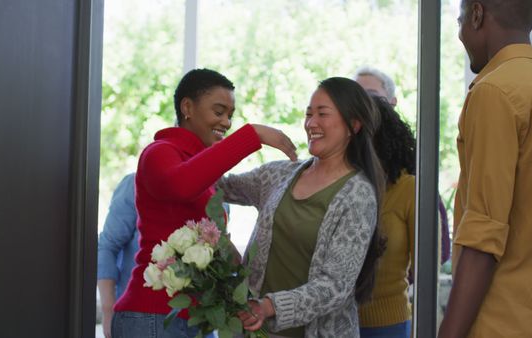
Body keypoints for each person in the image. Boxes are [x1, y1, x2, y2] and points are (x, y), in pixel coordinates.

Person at [111, 68, 297, 338]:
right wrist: (252, 135)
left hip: (196, 318)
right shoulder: (160, 152)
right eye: (219, 111)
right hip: (153, 316)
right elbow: (182, 184)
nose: (226, 122)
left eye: (230, 116)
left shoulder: (205, 173)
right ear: (187, 107)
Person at [438, 1, 532, 337]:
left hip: (498, 324)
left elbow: (483, 236)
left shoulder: (494, 92)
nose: (460, 35)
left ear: (477, 15)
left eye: (460, 21)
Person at [218, 77, 387, 337]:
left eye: (322, 114)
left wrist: (269, 306)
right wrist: (250, 136)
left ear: (354, 125)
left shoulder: (358, 195)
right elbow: (215, 186)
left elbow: (335, 286)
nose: (311, 123)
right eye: (308, 114)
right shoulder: (278, 175)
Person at [355, 65, 452, 267]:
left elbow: (438, 251)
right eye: (356, 96)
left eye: (372, 96)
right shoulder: (337, 167)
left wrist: (396, 276)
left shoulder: (410, 179)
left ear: (392, 103)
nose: (363, 103)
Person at [357, 96, 416, 337]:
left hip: (390, 325)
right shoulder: (342, 185)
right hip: (335, 322)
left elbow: (427, 270)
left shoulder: (410, 189)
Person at [98, 173, 139, 338]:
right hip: (136, 316)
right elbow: (107, 246)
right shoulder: (135, 184)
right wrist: (108, 309)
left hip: (198, 321)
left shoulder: (216, 188)